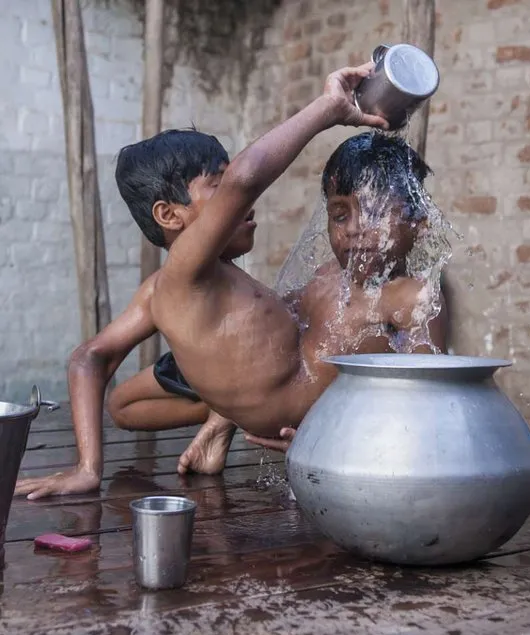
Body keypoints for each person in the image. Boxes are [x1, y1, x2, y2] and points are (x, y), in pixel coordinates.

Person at [15, 62, 388, 500]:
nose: (239, 199)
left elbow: (89, 356)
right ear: (170, 216)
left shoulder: (166, 286)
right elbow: (248, 178)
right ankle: (222, 411)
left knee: (121, 404)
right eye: (219, 185)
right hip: (293, 414)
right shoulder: (183, 273)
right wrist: (328, 109)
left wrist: (89, 466)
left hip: (267, 388)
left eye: (230, 183)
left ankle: (219, 418)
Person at [245, 132, 449, 453]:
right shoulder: (325, 280)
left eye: (374, 211)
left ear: (418, 224)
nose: (353, 228)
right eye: (340, 215)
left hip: (355, 453)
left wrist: (330, 444)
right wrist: (222, 417)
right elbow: (268, 339)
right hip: (285, 432)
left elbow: (424, 405)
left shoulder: (411, 297)